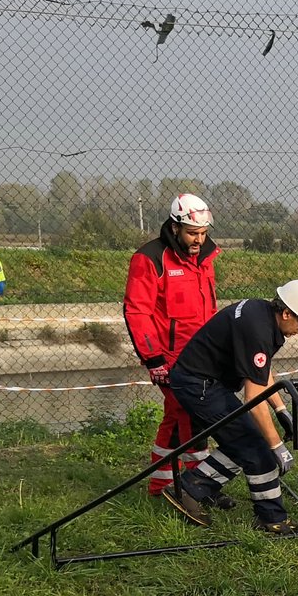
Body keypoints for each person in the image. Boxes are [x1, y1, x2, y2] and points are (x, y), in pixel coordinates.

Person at [164, 281, 298, 537]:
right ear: (286, 313)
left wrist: (281, 409)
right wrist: (277, 447)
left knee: (240, 441)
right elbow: (253, 400)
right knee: (257, 449)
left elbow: (260, 372)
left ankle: (194, 487)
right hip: (199, 386)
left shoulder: (262, 314)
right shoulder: (259, 329)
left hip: (205, 381)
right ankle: (272, 520)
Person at [124, 193, 221, 499]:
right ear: (176, 226)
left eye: (203, 233)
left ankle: (193, 483)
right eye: (193, 233)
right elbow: (137, 311)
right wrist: (153, 360)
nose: (199, 240)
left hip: (203, 353)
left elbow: (208, 307)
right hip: (169, 356)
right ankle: (169, 484)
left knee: (193, 414)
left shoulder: (205, 258)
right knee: (182, 411)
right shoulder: (151, 258)